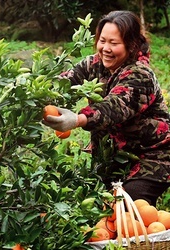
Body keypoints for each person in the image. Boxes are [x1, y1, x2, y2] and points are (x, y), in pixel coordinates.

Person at [42, 10, 170, 206]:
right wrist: (34, 96)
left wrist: (77, 119)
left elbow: (115, 107)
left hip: (152, 156)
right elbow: (63, 84)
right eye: (103, 41)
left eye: (114, 43)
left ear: (131, 44)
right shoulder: (94, 64)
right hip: (112, 157)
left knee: (128, 205)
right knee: (93, 207)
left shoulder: (140, 74)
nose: (106, 48)